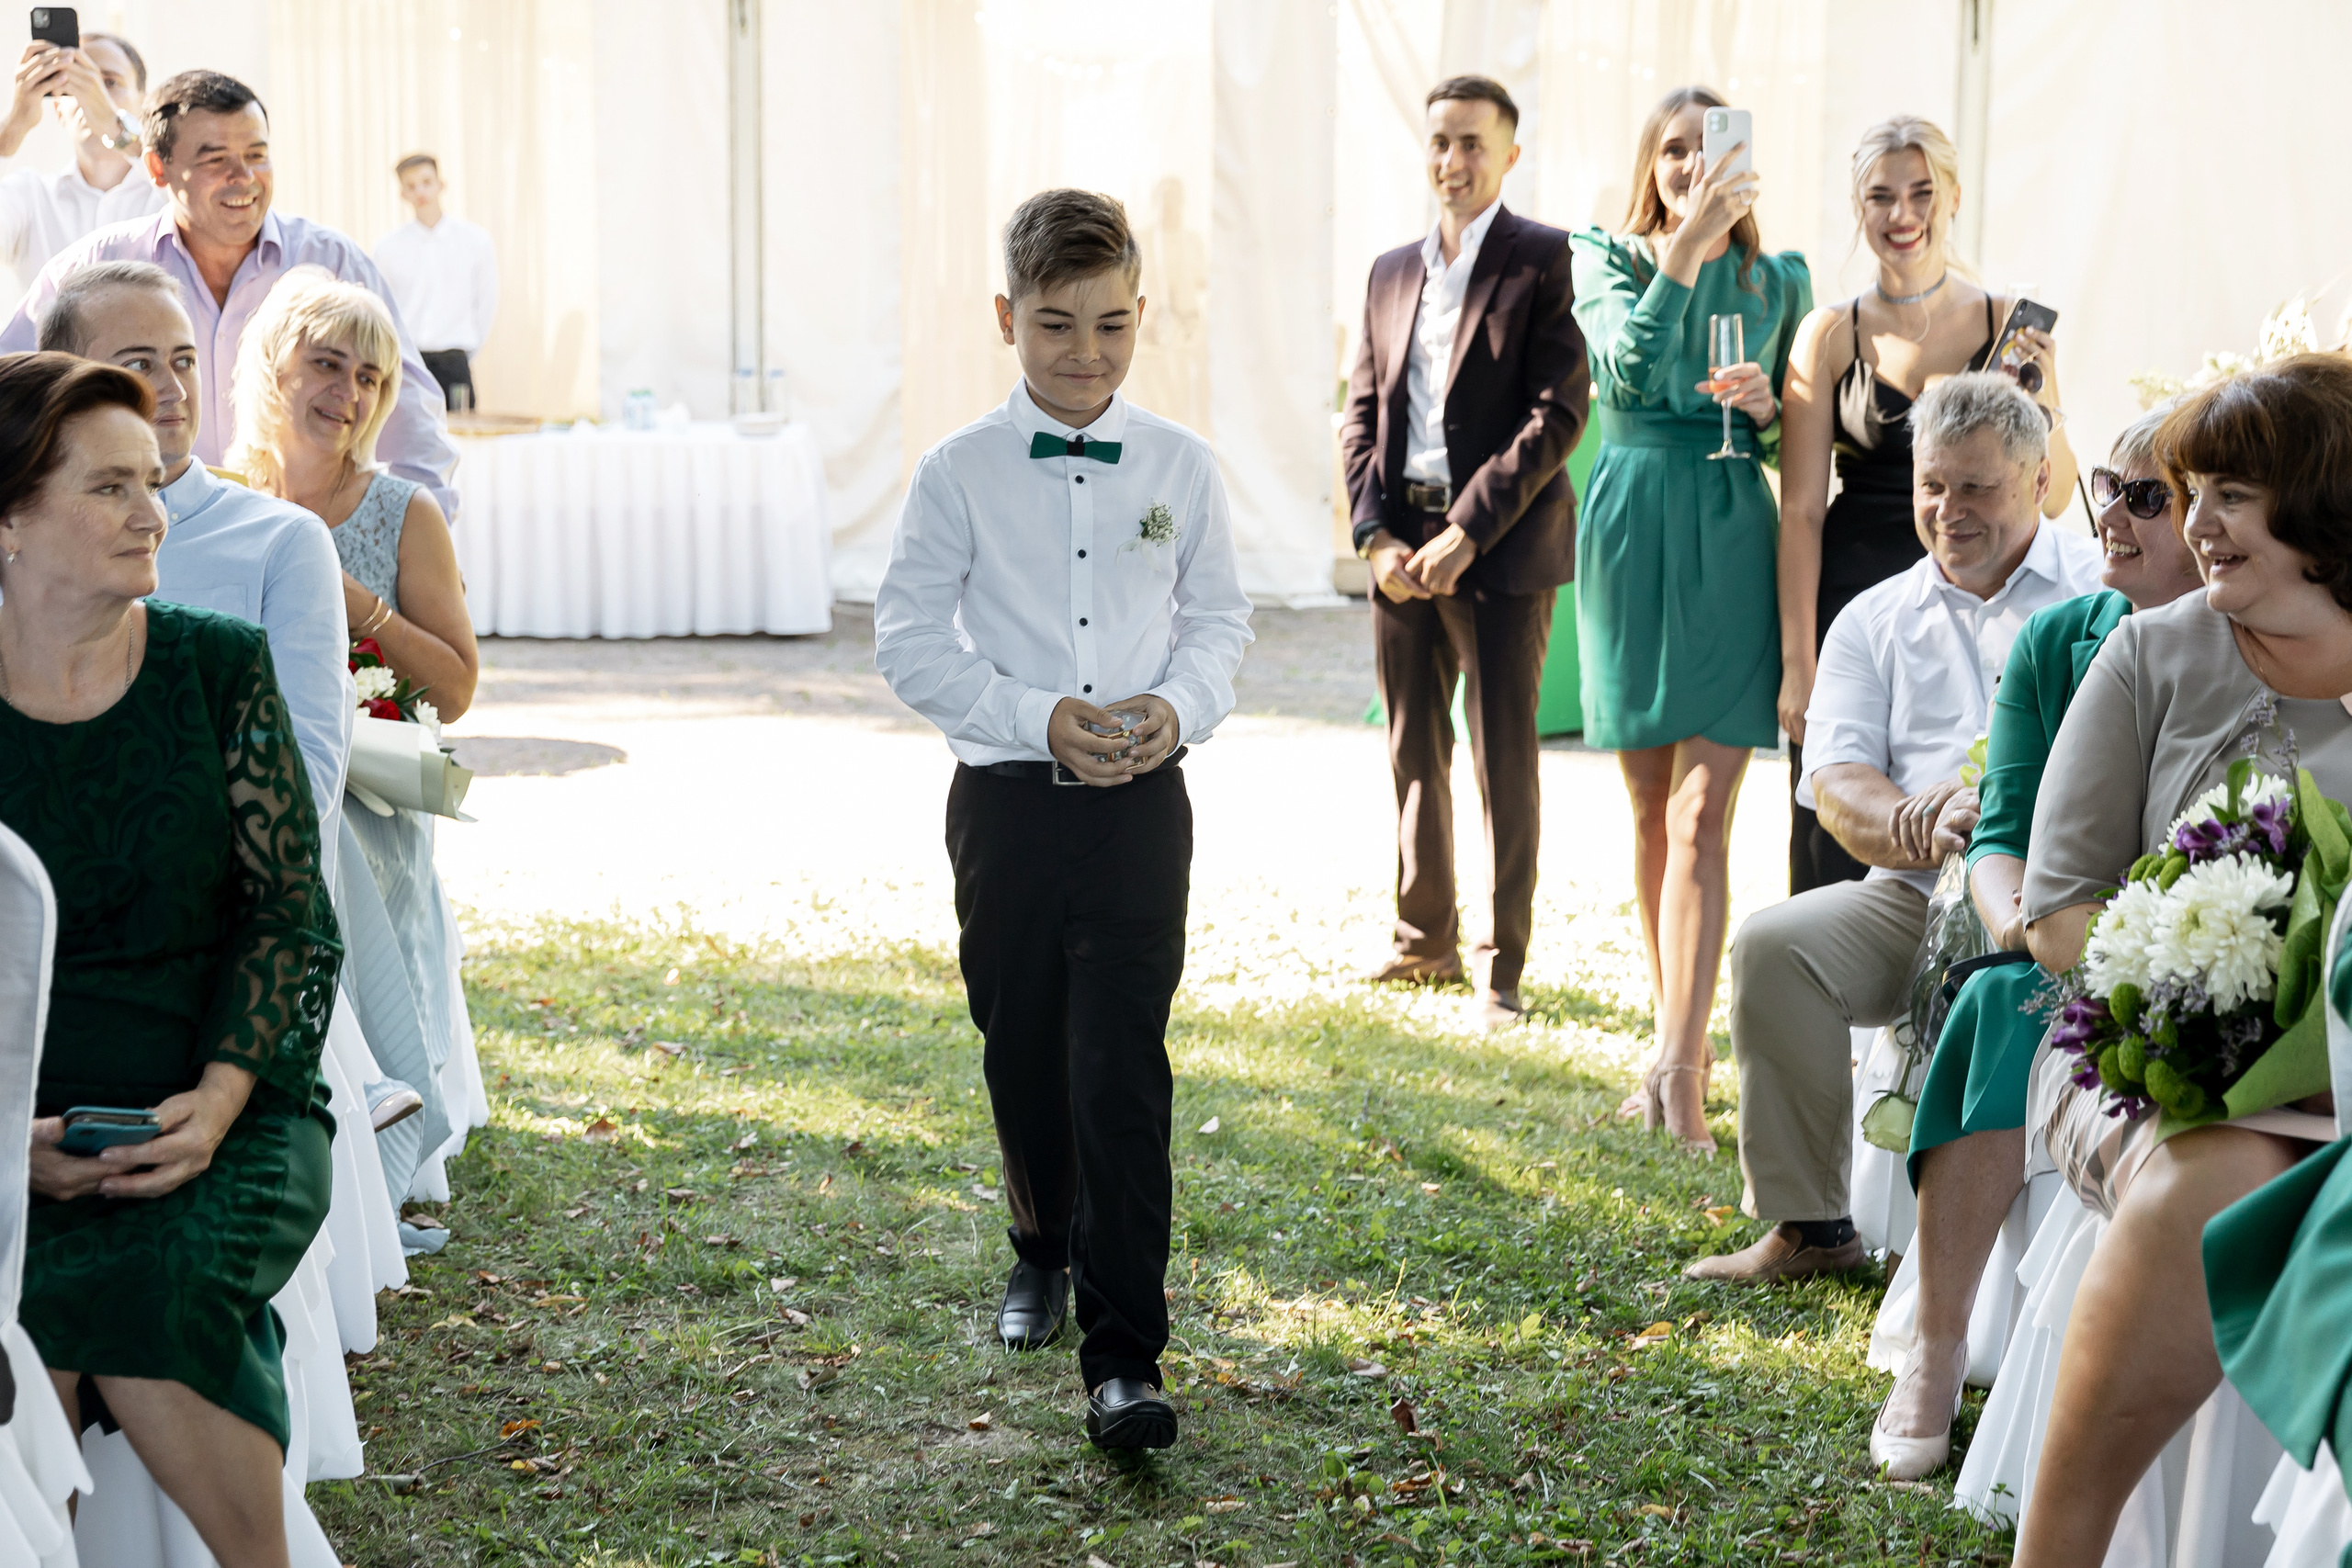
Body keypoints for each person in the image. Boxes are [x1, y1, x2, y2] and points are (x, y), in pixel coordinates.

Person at [873, 187, 1252, 1450]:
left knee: (1121, 1068)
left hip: (1144, 808)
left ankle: (1125, 1358)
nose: (1084, 354)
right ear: (1005, 318)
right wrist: (1035, 714)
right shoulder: (957, 470)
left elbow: (1221, 624)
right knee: (1023, 1047)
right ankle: (1040, 1239)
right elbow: (908, 634)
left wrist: (1177, 708)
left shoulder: (1182, 467)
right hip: (1006, 808)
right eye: (1053, 326)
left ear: (1141, 314)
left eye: (1107, 325)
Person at [2009, 355, 2352, 1564]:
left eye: (2233, 494)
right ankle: (2061, 1541)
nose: (2195, 521)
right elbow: (2055, 910)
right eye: (2189, 491)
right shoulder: (2151, 656)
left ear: (2327, 505)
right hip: (2138, 1055)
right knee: (2225, 1176)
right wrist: (2202, 1011)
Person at [1, 351, 341, 1568]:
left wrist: (218, 1101)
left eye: (150, 481)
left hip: (228, 1103)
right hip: (21, 1131)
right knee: (28, 1319)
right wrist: (10, 1147)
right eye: (106, 488)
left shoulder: (213, 667)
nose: (152, 510)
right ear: (8, 520)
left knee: (156, 1284)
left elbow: (294, 920)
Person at [1682, 371, 2102, 1283]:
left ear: (2038, 483)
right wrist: (1917, 821)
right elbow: (1833, 784)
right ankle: (1810, 1230)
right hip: (1917, 898)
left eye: (1976, 487)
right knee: (1775, 946)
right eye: (1930, 485)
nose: (1947, 509)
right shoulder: (1873, 619)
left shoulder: (2100, 591)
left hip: (2074, 896)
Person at [1865, 407, 2201, 1478]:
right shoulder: (2062, 639)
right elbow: (1998, 837)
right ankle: (1936, 1347)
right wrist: (2025, 926)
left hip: (2199, 952)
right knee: (1998, 1007)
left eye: (2147, 496)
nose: (2111, 512)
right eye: (2105, 485)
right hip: (2056, 939)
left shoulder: (2263, 643)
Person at [1567, 85, 1810, 1146]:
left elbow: (1793, 442)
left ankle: (1680, 1063)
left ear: (1742, 160)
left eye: (1705, 150)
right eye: (1670, 151)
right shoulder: (1604, 257)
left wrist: (1766, 413)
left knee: (1701, 816)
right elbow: (1620, 367)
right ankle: (1677, 1041)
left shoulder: (1781, 281)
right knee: (1647, 809)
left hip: (1724, 528)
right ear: (1649, 163)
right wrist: (1681, 247)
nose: (1686, 166)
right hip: (1629, 528)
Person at [1339, 74, 1589, 1032]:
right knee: (1412, 747)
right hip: (1399, 546)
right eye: (1440, 142)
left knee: (1502, 757)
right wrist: (1373, 534)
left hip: (1498, 548)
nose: (1453, 161)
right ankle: (1422, 940)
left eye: (1472, 144)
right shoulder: (1388, 271)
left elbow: (1557, 412)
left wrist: (1466, 534)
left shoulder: (1544, 259)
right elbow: (1361, 412)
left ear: (1509, 154)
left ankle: (1502, 964)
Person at [228, 269, 481, 1203]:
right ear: (273, 367)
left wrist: (357, 605)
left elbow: (454, 688)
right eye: (325, 364)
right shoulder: (222, 497)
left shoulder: (402, 510)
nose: (347, 393)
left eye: (369, 377)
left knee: (385, 979)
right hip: (245, 798)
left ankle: (393, 1172)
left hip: (372, 802)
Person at [1777, 117, 2076, 896]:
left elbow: (2060, 492)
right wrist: (1798, 665)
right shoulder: (1826, 334)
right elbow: (1802, 509)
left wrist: (2048, 405)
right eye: (1881, 196)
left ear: (1951, 198)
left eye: (1920, 193)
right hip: (1856, 598)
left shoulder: (2008, 321)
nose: (1901, 214)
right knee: (1832, 837)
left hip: (1980, 596)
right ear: (1858, 206)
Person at [0, 70, 459, 520]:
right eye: (216, 159)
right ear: (158, 169)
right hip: (143, 541)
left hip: (298, 543)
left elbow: (409, 405)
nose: (244, 176)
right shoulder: (97, 267)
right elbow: (14, 393)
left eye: (257, 155)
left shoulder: (333, 262)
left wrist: (421, 538)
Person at [0, 31, 162, 293]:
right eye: (73, 83)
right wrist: (14, 125)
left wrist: (116, 127)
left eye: (109, 82)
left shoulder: (170, 197)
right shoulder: (30, 197)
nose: (90, 95)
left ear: (144, 105)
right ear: (58, 111)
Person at [372, 152, 497, 412]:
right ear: (402, 193)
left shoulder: (475, 242)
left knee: (462, 443)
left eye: (426, 182)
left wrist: (466, 352)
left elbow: (486, 304)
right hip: (408, 364)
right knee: (405, 443)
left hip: (455, 362)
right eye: (411, 185)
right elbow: (381, 308)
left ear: (441, 184)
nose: (420, 191)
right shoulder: (387, 249)